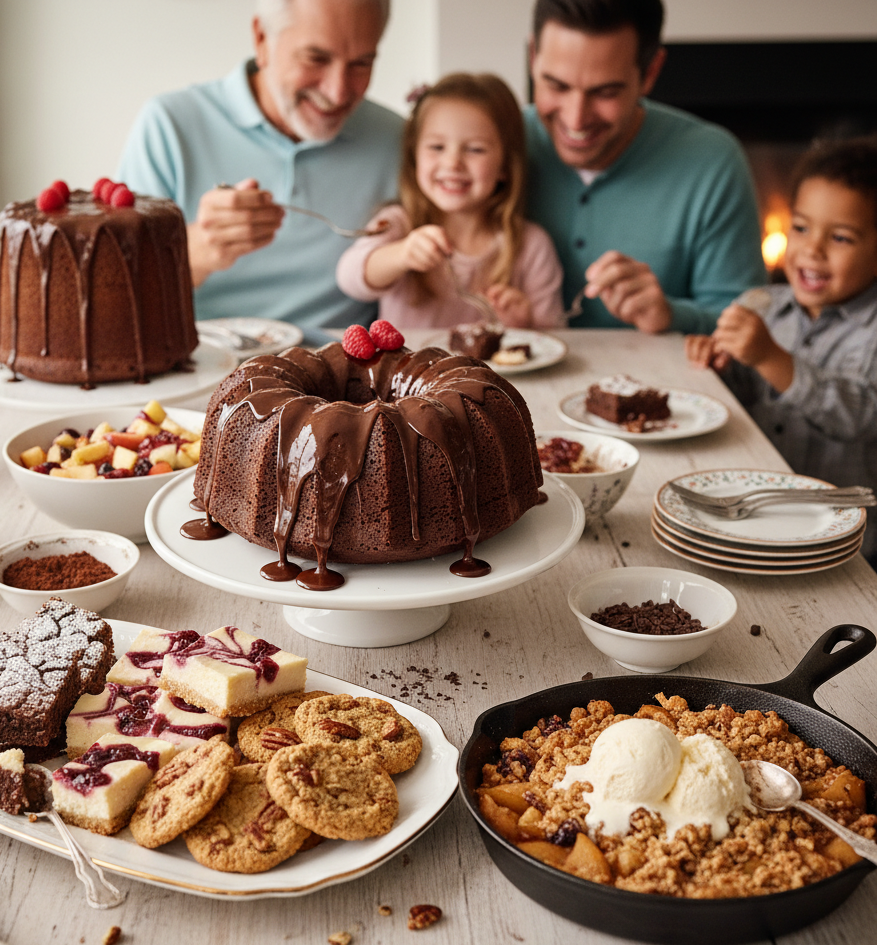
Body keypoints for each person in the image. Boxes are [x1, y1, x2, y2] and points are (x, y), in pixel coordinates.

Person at [116, 0, 403, 329]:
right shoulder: (169, 126)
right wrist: (190, 253)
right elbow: (118, 298)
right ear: (262, 39)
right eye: (316, 58)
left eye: (361, 64)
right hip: (207, 369)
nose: (338, 92)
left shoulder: (399, 140)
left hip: (344, 370)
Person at [685, 136, 877, 562]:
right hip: (756, 516)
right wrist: (718, 362)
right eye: (802, 227)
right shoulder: (764, 305)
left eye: (841, 238)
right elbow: (743, 397)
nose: (812, 249)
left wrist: (773, 359)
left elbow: (861, 416)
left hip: (845, 544)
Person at [525, 0, 767, 334]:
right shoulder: (491, 145)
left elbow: (752, 328)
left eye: (605, 92)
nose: (575, 117)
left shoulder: (713, 161)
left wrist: (671, 314)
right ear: (532, 56)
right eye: (557, 85)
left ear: (651, 71)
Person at [336, 73, 564, 330]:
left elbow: (556, 335)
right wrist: (402, 254)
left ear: (505, 165)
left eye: (475, 149)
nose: (453, 163)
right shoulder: (398, 224)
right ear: (414, 156)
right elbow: (349, 277)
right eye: (436, 147)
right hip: (408, 369)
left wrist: (523, 323)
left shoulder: (531, 245)